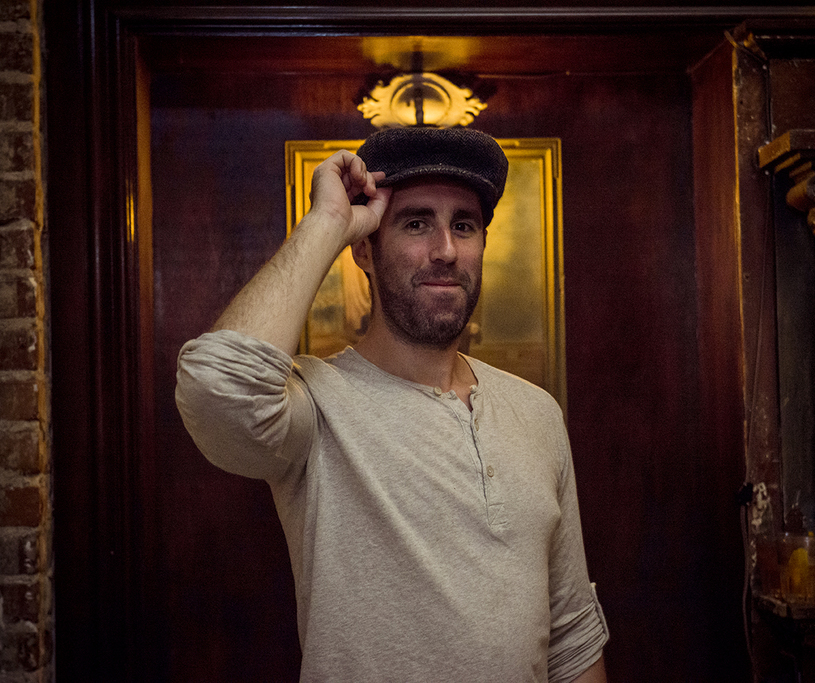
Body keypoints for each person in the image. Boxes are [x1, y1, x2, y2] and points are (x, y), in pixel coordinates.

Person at [175, 127, 609, 681]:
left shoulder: (537, 412)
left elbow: (571, 633)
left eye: (464, 225)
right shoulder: (315, 404)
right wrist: (327, 222)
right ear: (364, 248)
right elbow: (218, 390)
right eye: (415, 223)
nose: (445, 250)